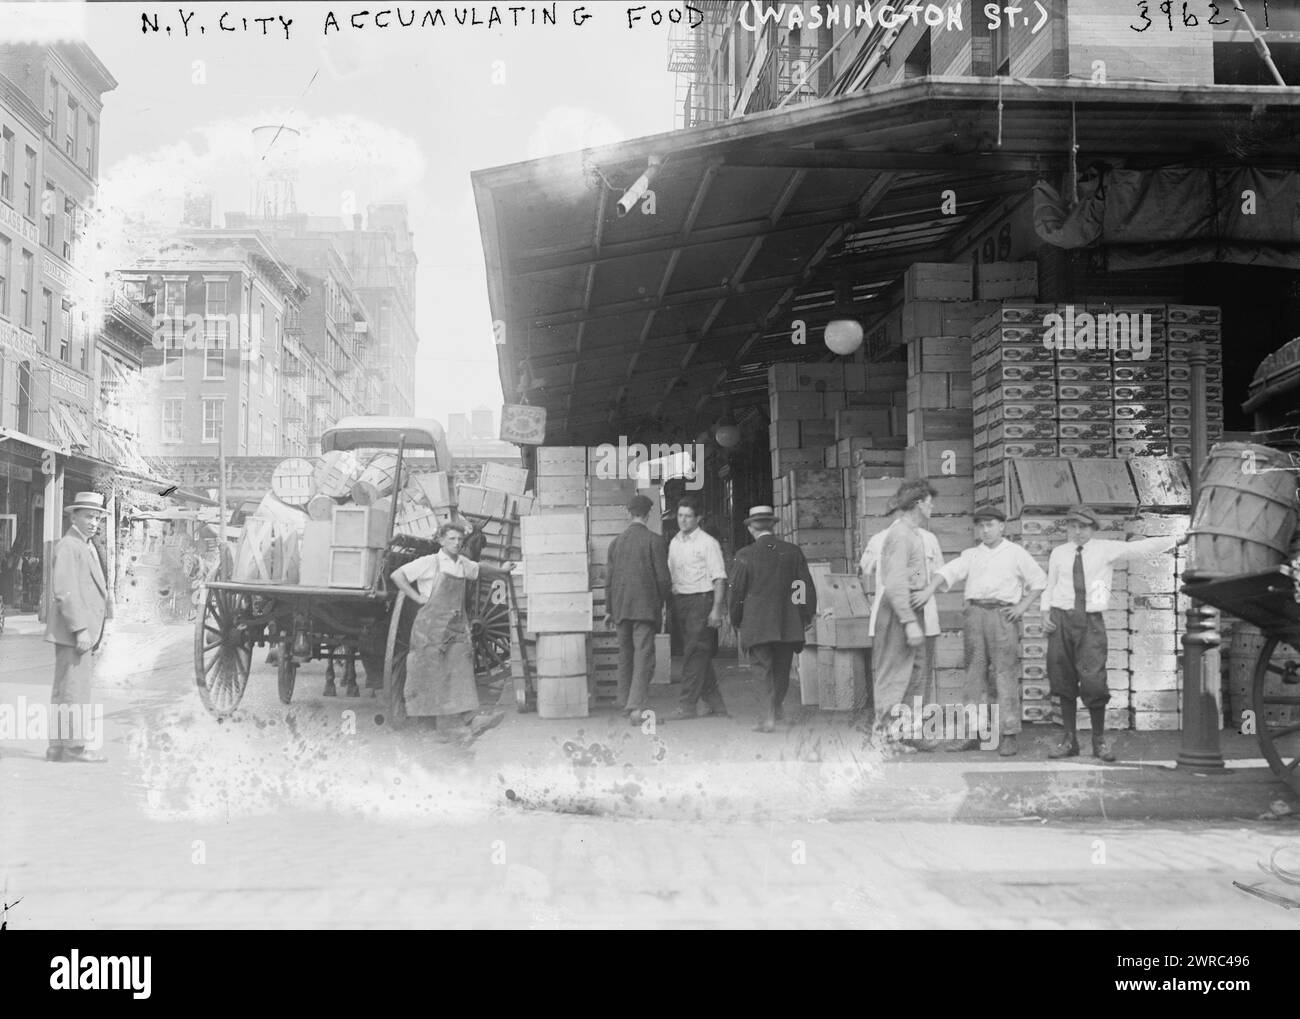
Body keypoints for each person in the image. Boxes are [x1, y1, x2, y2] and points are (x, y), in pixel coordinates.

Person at [1041, 504, 1184, 762]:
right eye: (1073, 526)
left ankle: (1099, 740)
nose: (1077, 531)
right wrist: (1044, 614)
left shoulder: (1105, 548)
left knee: (1094, 681)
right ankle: (1069, 739)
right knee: (1062, 680)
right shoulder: (1058, 553)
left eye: (1083, 526)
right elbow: (1049, 585)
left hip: (1090, 622)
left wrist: (1176, 538)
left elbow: (1139, 549)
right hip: (1060, 620)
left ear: (1093, 528)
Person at [915, 506, 1047, 756]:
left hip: (1002, 615)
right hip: (975, 615)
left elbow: (1039, 581)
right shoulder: (971, 554)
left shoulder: (1015, 553)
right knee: (974, 675)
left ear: (1001, 526)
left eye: (990, 525)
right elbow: (947, 573)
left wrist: (1022, 607)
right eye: (981, 526)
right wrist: (928, 590)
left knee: (1004, 673)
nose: (985, 530)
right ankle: (973, 734)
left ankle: (1008, 733)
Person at [389, 522, 514, 741]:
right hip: (430, 627)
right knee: (430, 674)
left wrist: (502, 570)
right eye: (451, 539)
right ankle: (434, 729)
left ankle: (471, 718)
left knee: (461, 668)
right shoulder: (430, 562)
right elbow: (397, 575)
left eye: (459, 540)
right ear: (441, 540)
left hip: (455, 625)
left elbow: (480, 567)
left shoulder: (462, 563)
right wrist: (417, 597)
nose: (456, 543)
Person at [728, 505, 817, 733]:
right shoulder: (792, 551)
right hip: (787, 622)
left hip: (757, 623)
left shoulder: (744, 556)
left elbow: (737, 593)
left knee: (761, 670)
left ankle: (767, 716)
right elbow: (801, 586)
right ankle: (776, 709)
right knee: (781, 669)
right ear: (773, 525)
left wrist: (736, 619)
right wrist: (803, 614)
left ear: (751, 528)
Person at [44, 492, 113, 764]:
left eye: (97, 517)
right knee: (75, 691)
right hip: (76, 633)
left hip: (77, 632)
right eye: (88, 516)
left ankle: (58, 748)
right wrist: (81, 629)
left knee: (65, 690)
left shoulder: (82, 545)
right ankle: (73, 748)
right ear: (73, 516)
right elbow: (65, 591)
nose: (93, 522)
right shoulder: (70, 546)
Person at [872, 479, 941, 748]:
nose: (932, 505)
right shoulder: (900, 535)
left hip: (913, 607)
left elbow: (910, 573)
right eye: (928, 501)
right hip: (899, 612)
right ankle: (885, 736)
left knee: (916, 674)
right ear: (917, 504)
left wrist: (920, 588)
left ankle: (908, 732)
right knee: (894, 673)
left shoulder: (914, 535)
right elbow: (894, 582)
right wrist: (909, 620)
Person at [603, 494, 672, 726]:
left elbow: (609, 580)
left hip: (621, 607)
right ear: (648, 514)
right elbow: (663, 579)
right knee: (643, 656)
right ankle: (636, 707)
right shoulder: (655, 541)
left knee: (625, 655)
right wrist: (662, 603)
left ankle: (624, 702)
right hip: (645, 608)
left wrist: (609, 609)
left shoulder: (616, 542)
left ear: (628, 513)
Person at [667, 497, 729, 720]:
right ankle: (717, 704)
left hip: (701, 602)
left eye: (688, 516)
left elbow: (720, 579)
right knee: (697, 653)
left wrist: (716, 610)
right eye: (680, 515)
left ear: (698, 518)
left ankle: (686, 706)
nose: (683, 520)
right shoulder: (674, 542)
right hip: (681, 602)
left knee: (693, 653)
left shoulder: (708, 543)